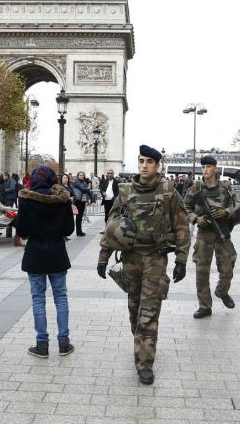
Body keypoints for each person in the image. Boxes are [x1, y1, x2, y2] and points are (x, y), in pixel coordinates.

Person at [97, 145, 191, 385]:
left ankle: (145, 363)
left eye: (150, 161)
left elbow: (182, 227)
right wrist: (103, 256)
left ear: (157, 165)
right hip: (130, 260)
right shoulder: (126, 191)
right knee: (134, 309)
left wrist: (181, 260)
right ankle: (141, 343)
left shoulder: (169, 191)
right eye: (141, 161)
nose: (145, 165)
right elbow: (112, 225)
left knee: (148, 312)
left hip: (155, 259)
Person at [15, 165, 75, 358]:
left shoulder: (26, 200)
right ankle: (64, 342)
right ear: (52, 179)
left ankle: (42, 345)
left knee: (38, 299)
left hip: (35, 254)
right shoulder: (62, 200)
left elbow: (22, 230)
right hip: (57, 252)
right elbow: (68, 230)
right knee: (61, 297)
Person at [183, 155, 240, 318]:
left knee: (228, 268)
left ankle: (222, 292)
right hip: (204, 236)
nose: (205, 170)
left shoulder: (225, 187)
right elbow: (185, 207)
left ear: (215, 168)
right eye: (203, 167)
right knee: (202, 272)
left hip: (222, 233)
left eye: (208, 167)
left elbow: (237, 205)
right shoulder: (196, 188)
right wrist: (196, 219)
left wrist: (226, 212)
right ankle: (204, 306)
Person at [72, 171, 91, 237]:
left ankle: (79, 231)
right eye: (80, 175)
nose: (81, 176)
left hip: (82, 201)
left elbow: (87, 191)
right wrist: (88, 188)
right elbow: (83, 189)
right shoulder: (76, 182)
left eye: (82, 175)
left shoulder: (84, 182)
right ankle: (78, 231)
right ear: (78, 176)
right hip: (77, 201)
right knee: (78, 217)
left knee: (80, 217)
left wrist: (92, 200)